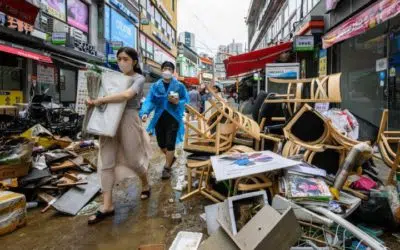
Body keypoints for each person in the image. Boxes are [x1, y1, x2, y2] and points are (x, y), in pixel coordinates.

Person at [86, 47, 152, 225]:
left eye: (126, 59)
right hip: (108, 118)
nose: (122, 62)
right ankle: (107, 205)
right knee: (106, 161)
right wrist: (93, 101)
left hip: (128, 118)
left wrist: (102, 100)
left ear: (134, 61)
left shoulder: (138, 78)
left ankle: (145, 183)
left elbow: (127, 95)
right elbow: (99, 94)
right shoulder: (111, 78)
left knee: (133, 159)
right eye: (119, 59)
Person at [140, 61, 189, 180]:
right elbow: (150, 100)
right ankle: (171, 158)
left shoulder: (179, 86)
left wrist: (178, 102)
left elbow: (185, 100)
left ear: (173, 72)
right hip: (159, 117)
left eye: (169, 69)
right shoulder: (155, 86)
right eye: (165, 68)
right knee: (161, 144)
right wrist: (145, 112)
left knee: (170, 143)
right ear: (161, 70)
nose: (167, 71)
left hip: (173, 117)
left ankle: (167, 167)